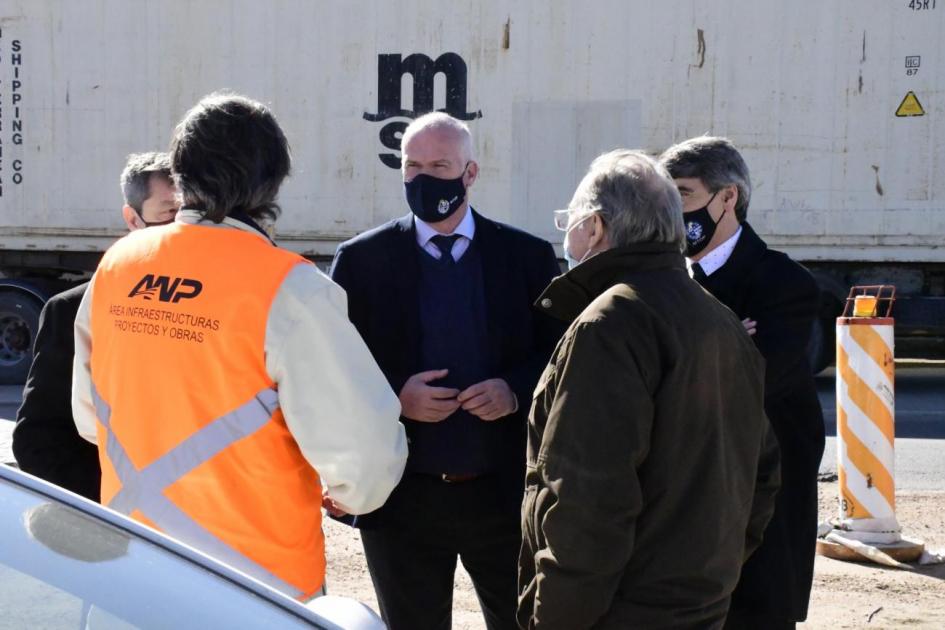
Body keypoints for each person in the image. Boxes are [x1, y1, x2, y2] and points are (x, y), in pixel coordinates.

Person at [71, 93, 408, 600]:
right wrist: (346, 493)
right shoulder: (289, 289)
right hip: (257, 587)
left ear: (181, 176)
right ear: (271, 184)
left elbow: (86, 414)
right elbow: (365, 461)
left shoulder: (118, 267)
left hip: (133, 567)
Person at [518, 150, 781, 629]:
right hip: (699, 607)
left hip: (618, 613)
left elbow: (587, 500)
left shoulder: (611, 323)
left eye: (568, 222)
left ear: (594, 227)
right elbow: (760, 473)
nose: (567, 236)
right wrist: (705, 574)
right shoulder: (716, 317)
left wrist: (554, 619)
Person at [330, 112, 562, 630]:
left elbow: (560, 354)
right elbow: (336, 368)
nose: (425, 177)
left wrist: (514, 391)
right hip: (403, 497)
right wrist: (395, 397)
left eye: (441, 164)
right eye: (412, 165)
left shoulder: (525, 257)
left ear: (470, 173)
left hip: (502, 494)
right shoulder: (361, 260)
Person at [660, 136, 826, 629]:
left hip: (761, 511)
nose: (674, 212)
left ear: (727, 197)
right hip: (684, 512)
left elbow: (752, 385)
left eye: (684, 195)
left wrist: (688, 352)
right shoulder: (668, 279)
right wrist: (727, 340)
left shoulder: (785, 284)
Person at [13, 152, 179, 501]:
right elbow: (37, 442)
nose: (179, 231)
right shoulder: (71, 310)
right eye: (168, 215)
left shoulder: (221, 307)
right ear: (132, 219)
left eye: (188, 216)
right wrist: (112, 512)